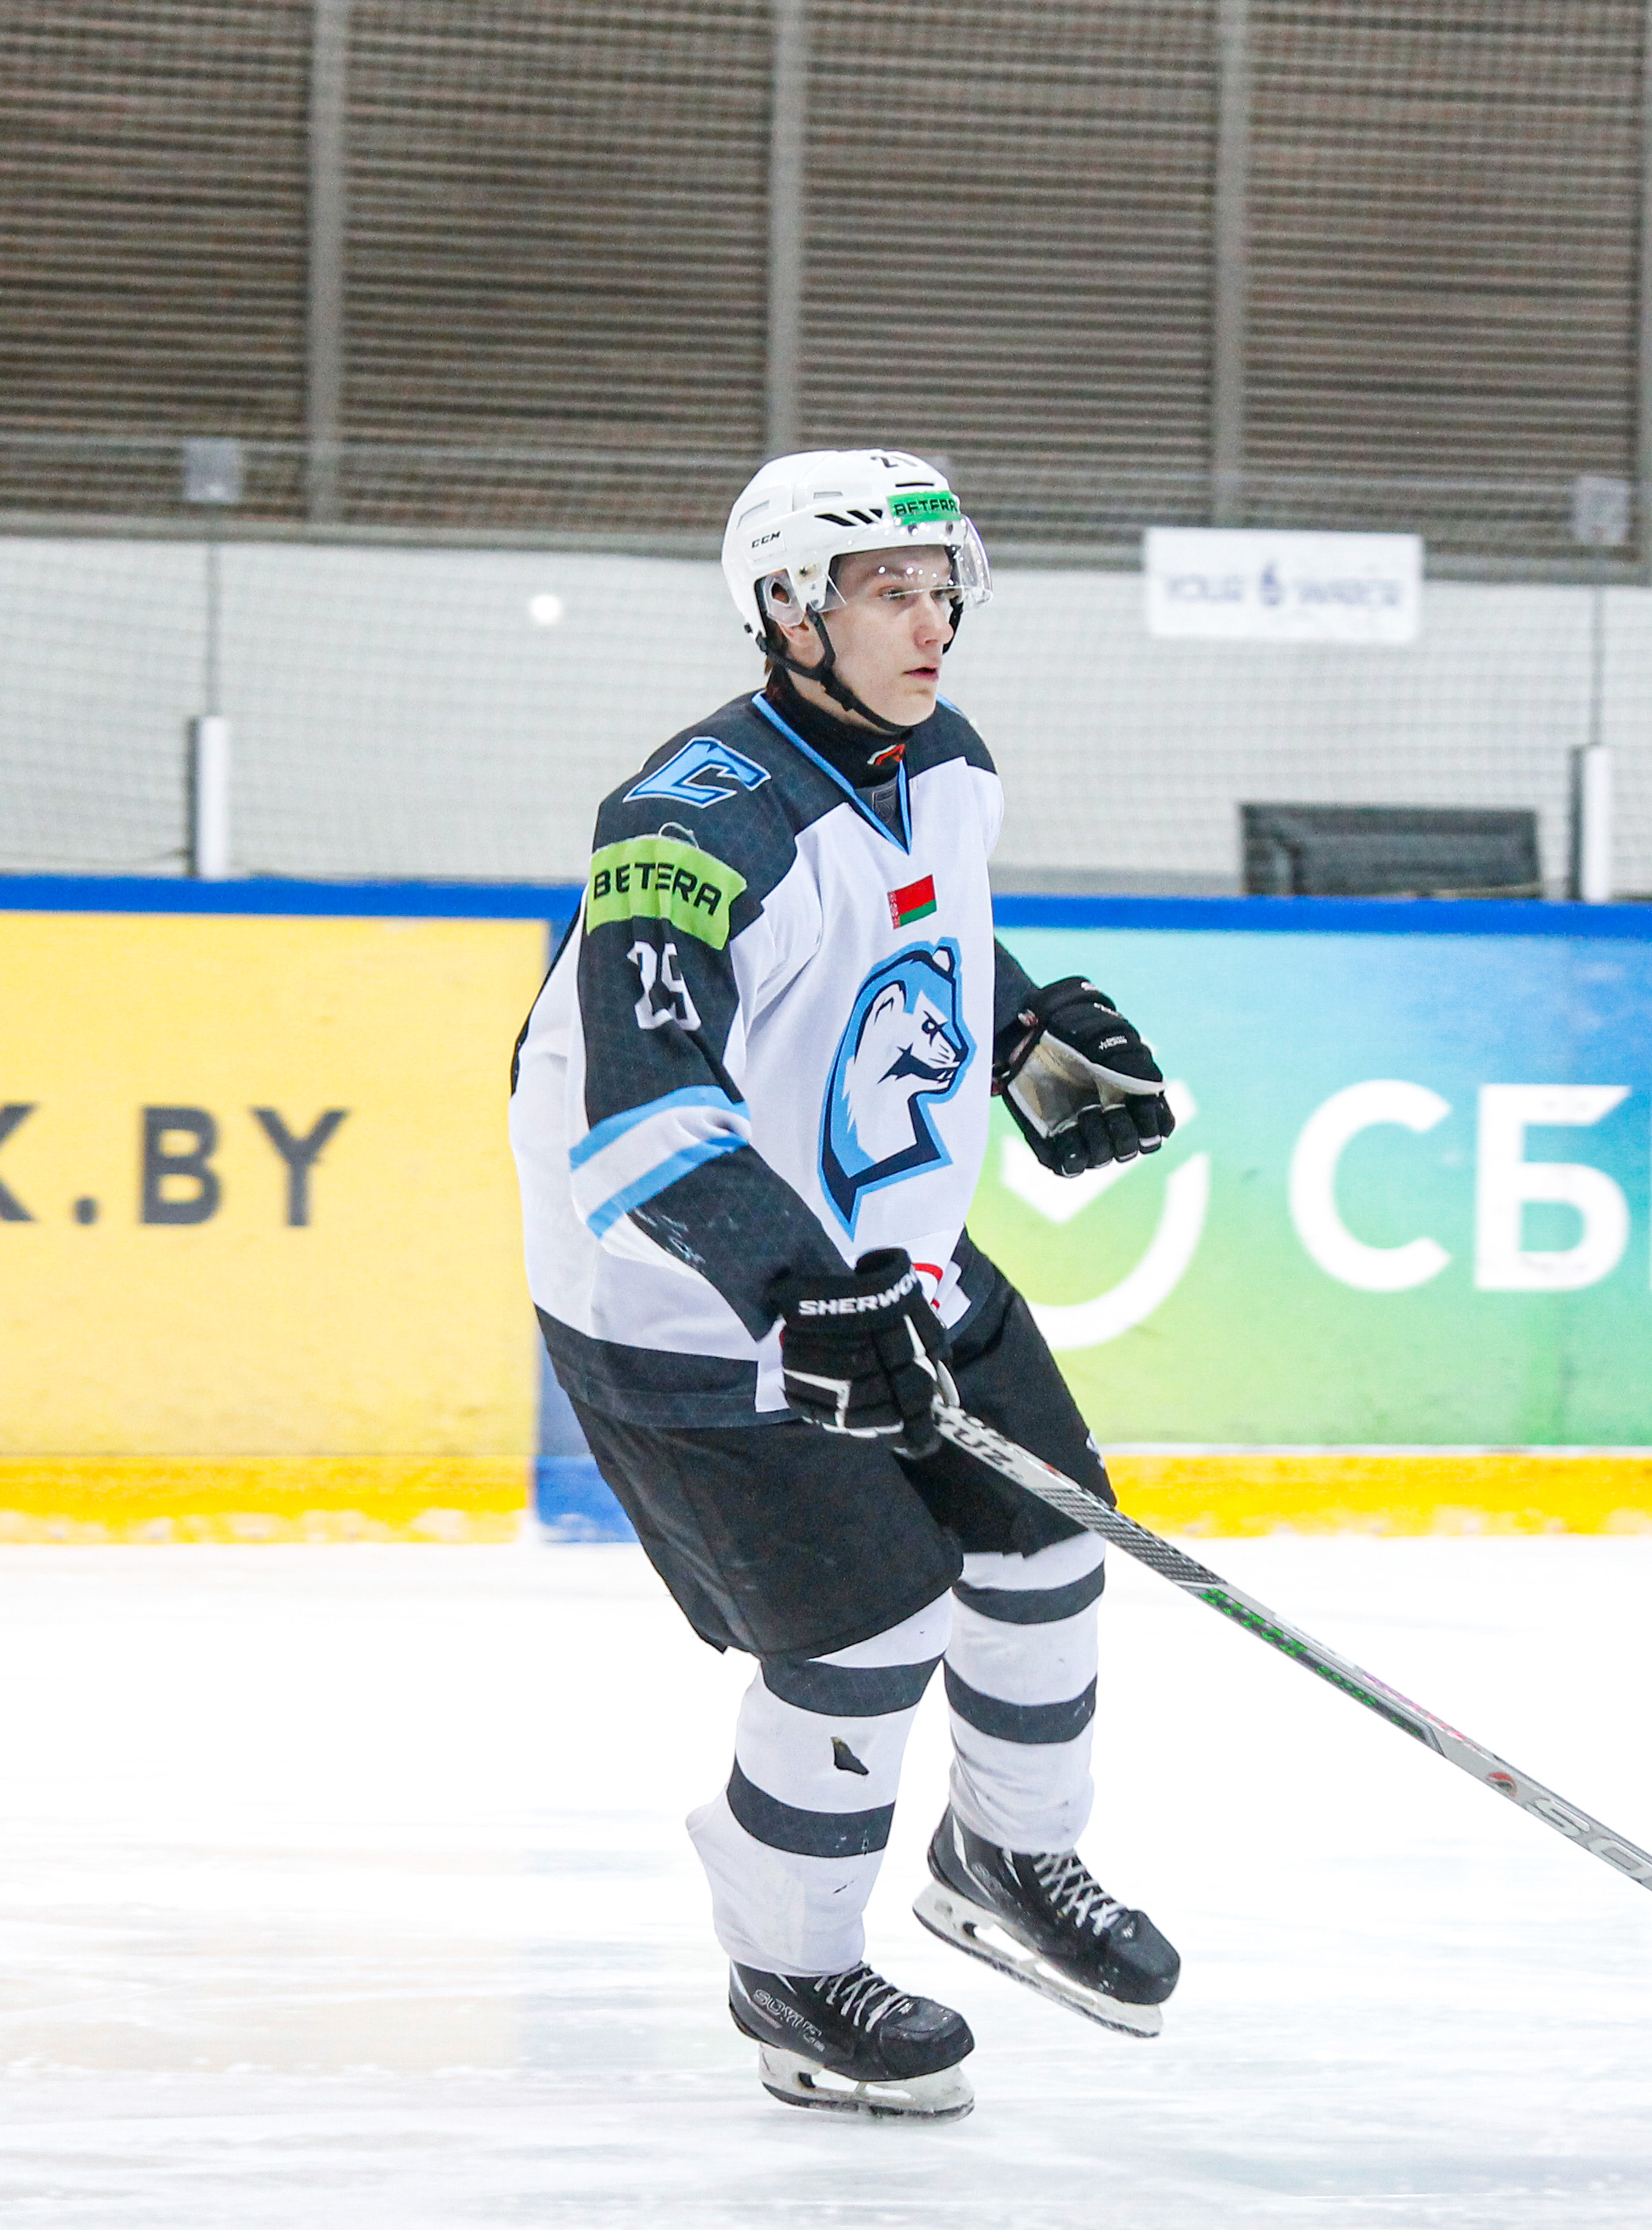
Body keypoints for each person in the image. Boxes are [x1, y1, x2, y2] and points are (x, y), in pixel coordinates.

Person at [507, 449, 1184, 2117]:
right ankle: (794, 1968)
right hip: (688, 1300)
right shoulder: (687, 824)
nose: (931, 620)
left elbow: (921, 933)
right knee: (869, 1626)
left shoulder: (945, 760)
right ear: (789, 608)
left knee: (1046, 1537)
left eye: (944, 587)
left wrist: (1020, 1033)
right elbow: (639, 1109)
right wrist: (794, 1287)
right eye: (891, 589)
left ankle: (1006, 1858)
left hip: (898, 1254)